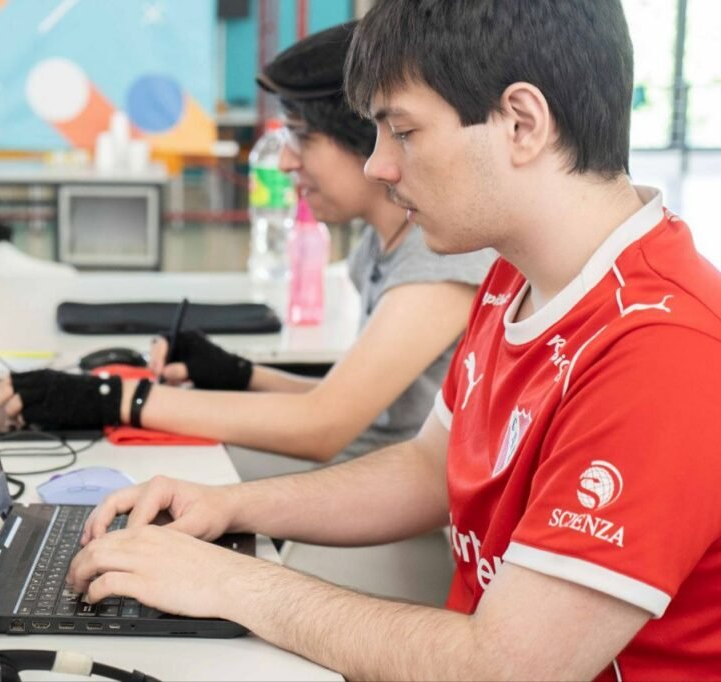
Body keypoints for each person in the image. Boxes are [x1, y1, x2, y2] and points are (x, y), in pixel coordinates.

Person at [62, 2, 721, 679]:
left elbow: (504, 668)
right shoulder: (516, 275)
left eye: (402, 132)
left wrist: (227, 582)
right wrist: (228, 505)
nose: (377, 165)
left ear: (522, 124)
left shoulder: (664, 350)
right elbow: (429, 467)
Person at [0, 22, 495, 462]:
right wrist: (238, 373)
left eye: (303, 137)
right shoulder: (380, 244)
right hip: (356, 470)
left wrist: (115, 397)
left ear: (365, 135)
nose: (287, 161)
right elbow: (344, 399)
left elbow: (323, 425)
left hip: (383, 505)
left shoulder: (439, 260)